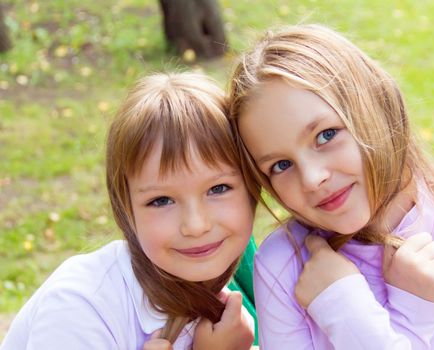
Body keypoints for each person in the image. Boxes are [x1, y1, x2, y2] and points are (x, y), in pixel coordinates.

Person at [228, 24, 434, 349]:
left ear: (378, 106)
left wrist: (346, 310)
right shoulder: (283, 262)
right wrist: (409, 315)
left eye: (326, 135)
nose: (313, 179)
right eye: (281, 166)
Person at [0, 72, 258, 350]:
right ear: (126, 209)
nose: (195, 225)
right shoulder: (80, 307)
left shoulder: (256, 276)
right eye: (161, 201)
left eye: (218, 189)